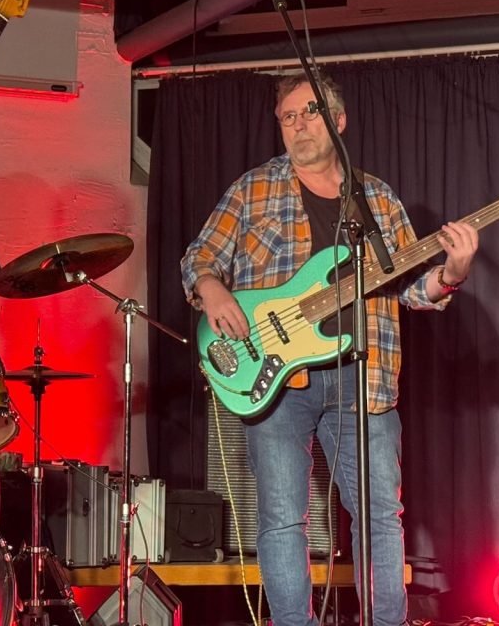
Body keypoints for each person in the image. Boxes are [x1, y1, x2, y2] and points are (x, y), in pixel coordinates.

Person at [180, 72, 479, 626]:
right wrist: (212, 288)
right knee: (281, 518)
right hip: (274, 377)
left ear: (338, 121)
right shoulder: (253, 188)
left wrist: (451, 273)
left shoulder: (377, 199)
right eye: (287, 117)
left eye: (310, 112)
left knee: (379, 515)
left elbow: (411, 288)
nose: (297, 125)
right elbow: (199, 256)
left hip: (364, 377)